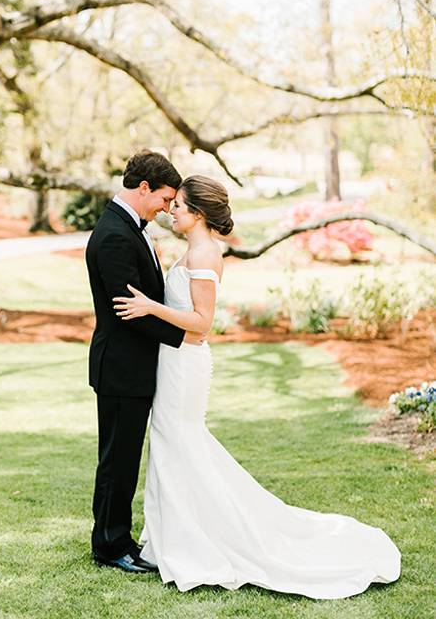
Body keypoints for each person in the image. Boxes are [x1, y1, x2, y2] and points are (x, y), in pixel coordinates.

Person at [113, 175, 401, 598]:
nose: (170, 210)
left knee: (181, 444)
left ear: (198, 214)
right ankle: (169, 541)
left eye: (178, 206)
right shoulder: (192, 249)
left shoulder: (206, 254)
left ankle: (200, 542)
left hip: (186, 365)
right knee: (172, 447)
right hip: (172, 364)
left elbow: (202, 324)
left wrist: (149, 306)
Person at [85, 150, 205, 574]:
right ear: (143, 188)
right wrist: (185, 336)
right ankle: (111, 546)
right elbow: (128, 310)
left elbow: (145, 302)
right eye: (165, 198)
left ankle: (116, 537)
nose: (168, 208)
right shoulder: (116, 235)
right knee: (118, 461)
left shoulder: (127, 228)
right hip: (122, 367)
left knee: (122, 458)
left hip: (132, 367)